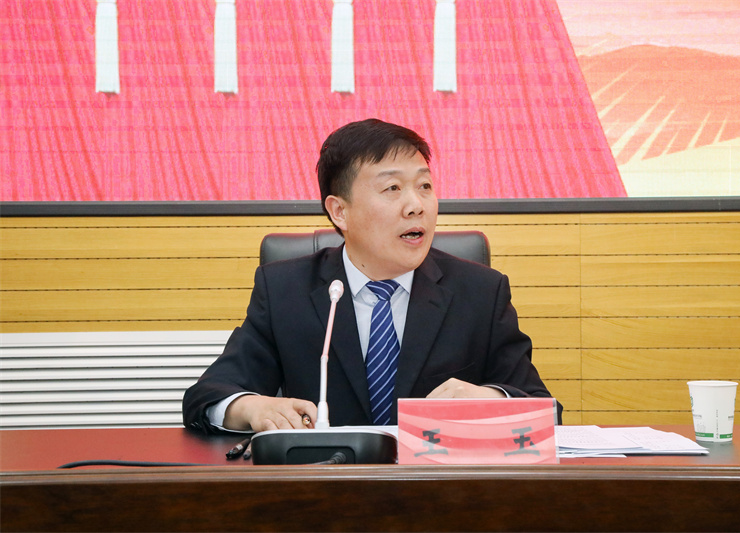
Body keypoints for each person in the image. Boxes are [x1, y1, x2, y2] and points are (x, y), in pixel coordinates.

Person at [183, 118, 562, 434]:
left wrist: (491, 400)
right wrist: (253, 407)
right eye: (392, 188)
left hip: (438, 488)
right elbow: (207, 397)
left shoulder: (479, 292)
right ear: (339, 211)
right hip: (324, 488)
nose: (416, 206)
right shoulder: (286, 291)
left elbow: (545, 410)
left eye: (425, 186)